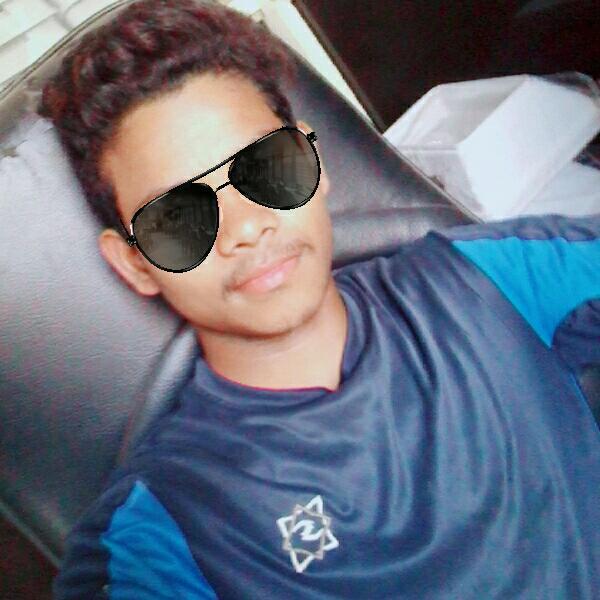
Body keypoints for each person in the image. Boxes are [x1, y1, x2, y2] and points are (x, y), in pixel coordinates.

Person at [40, 0, 599, 598]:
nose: (246, 227)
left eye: (265, 166)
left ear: (315, 160)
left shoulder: (483, 280)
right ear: (134, 264)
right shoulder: (170, 526)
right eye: (176, 216)